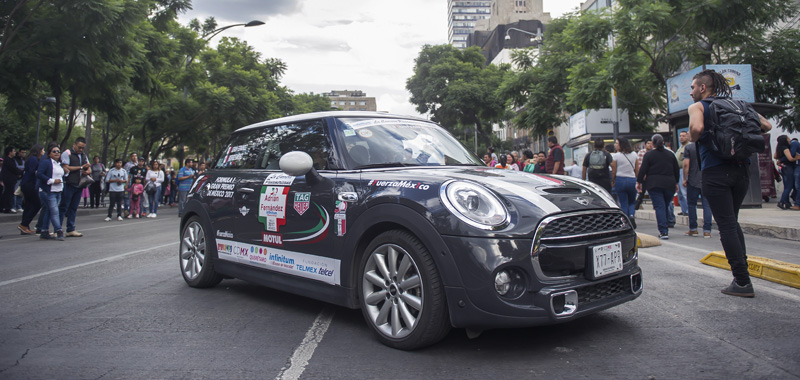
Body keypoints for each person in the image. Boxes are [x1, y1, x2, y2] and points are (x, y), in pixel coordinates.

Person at [688, 69, 772, 297]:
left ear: (703, 88)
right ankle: (741, 276)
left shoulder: (699, 107)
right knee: (732, 223)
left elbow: (696, 129)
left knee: (725, 225)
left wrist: (693, 137)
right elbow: (767, 126)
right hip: (741, 170)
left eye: (693, 88)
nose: (691, 93)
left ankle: (743, 282)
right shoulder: (740, 104)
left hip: (715, 172)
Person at [636, 134, 679, 240]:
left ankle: (664, 231)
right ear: (663, 142)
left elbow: (643, 170)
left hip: (654, 184)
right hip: (669, 183)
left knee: (659, 207)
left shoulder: (649, 155)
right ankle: (667, 223)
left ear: (653, 143)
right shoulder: (670, 155)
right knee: (665, 205)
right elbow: (676, 170)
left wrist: (639, 182)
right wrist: (676, 183)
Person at [58, 137, 90, 237]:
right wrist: (81, 168)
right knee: (64, 207)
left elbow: (88, 167)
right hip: (69, 183)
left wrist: (88, 171)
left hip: (79, 184)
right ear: (74, 144)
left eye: (82, 148)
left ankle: (70, 228)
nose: (80, 150)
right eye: (79, 147)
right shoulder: (67, 153)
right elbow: (66, 167)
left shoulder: (83, 155)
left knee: (73, 207)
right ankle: (57, 228)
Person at [683, 142, 712, 238]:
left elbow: (686, 164)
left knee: (691, 204)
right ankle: (707, 230)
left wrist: (684, 178)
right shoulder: (709, 145)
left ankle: (693, 229)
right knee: (707, 205)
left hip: (693, 180)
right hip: (707, 179)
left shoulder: (689, 148)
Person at [37, 143, 65, 241]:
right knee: (54, 211)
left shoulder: (59, 164)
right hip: (48, 191)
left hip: (58, 190)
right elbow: (39, 174)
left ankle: (44, 231)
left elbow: (61, 175)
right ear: (49, 154)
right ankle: (59, 230)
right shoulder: (46, 162)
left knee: (50, 210)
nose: (57, 153)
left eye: (58, 151)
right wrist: (51, 181)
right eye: (54, 151)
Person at [18, 144, 44, 235]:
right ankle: (24, 224)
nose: (43, 152)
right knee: (37, 204)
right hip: (30, 184)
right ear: (39, 151)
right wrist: (40, 172)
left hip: (27, 184)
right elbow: (32, 171)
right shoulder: (33, 159)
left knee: (28, 205)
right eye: (42, 150)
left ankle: (25, 226)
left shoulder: (32, 158)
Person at [612, 137, 639, 226]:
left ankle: (625, 221)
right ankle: (631, 215)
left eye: (617, 143)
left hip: (620, 180)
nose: (615, 145)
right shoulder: (634, 154)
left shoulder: (616, 156)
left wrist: (613, 180)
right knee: (632, 202)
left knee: (623, 202)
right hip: (632, 180)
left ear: (621, 145)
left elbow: (614, 170)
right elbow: (637, 170)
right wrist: (638, 181)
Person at [774, 135, 797, 210]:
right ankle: (782, 201)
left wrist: (780, 160)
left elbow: (775, 156)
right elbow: (790, 158)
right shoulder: (786, 148)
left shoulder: (779, 147)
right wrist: (796, 158)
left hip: (783, 168)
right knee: (788, 186)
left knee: (786, 185)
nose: (789, 140)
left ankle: (786, 202)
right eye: (788, 138)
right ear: (785, 140)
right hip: (788, 168)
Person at [1, 146, 23, 213]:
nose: (15, 152)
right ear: (10, 152)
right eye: (13, 151)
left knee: (8, 193)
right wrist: (21, 172)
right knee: (9, 193)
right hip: (8, 179)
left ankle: (6, 207)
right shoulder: (7, 160)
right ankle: (7, 207)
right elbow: (13, 169)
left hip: (12, 179)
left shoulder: (12, 160)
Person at [634, 138, 654, 210]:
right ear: (645, 145)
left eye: (651, 143)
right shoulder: (641, 152)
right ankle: (637, 205)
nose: (650, 145)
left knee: (653, 190)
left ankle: (654, 205)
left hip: (652, 175)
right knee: (642, 191)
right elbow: (639, 165)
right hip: (644, 175)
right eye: (648, 143)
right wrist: (641, 175)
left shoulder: (654, 152)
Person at [674, 131, 690, 216]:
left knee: (685, 192)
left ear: (687, 137)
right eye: (680, 136)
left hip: (684, 170)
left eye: (683, 136)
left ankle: (688, 210)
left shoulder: (688, 146)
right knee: (679, 193)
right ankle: (684, 209)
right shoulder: (680, 147)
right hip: (678, 170)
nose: (681, 137)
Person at [12, 148, 26, 212]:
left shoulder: (24, 160)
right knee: (15, 192)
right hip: (16, 178)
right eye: (22, 152)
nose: (23, 154)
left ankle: (19, 206)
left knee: (20, 192)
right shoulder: (15, 159)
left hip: (22, 178)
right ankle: (13, 206)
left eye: (24, 153)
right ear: (19, 152)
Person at [789, 137, 800, 210]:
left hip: (798, 166)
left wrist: (781, 160)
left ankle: (797, 204)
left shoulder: (794, 143)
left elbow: (792, 154)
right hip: (796, 166)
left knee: (797, 186)